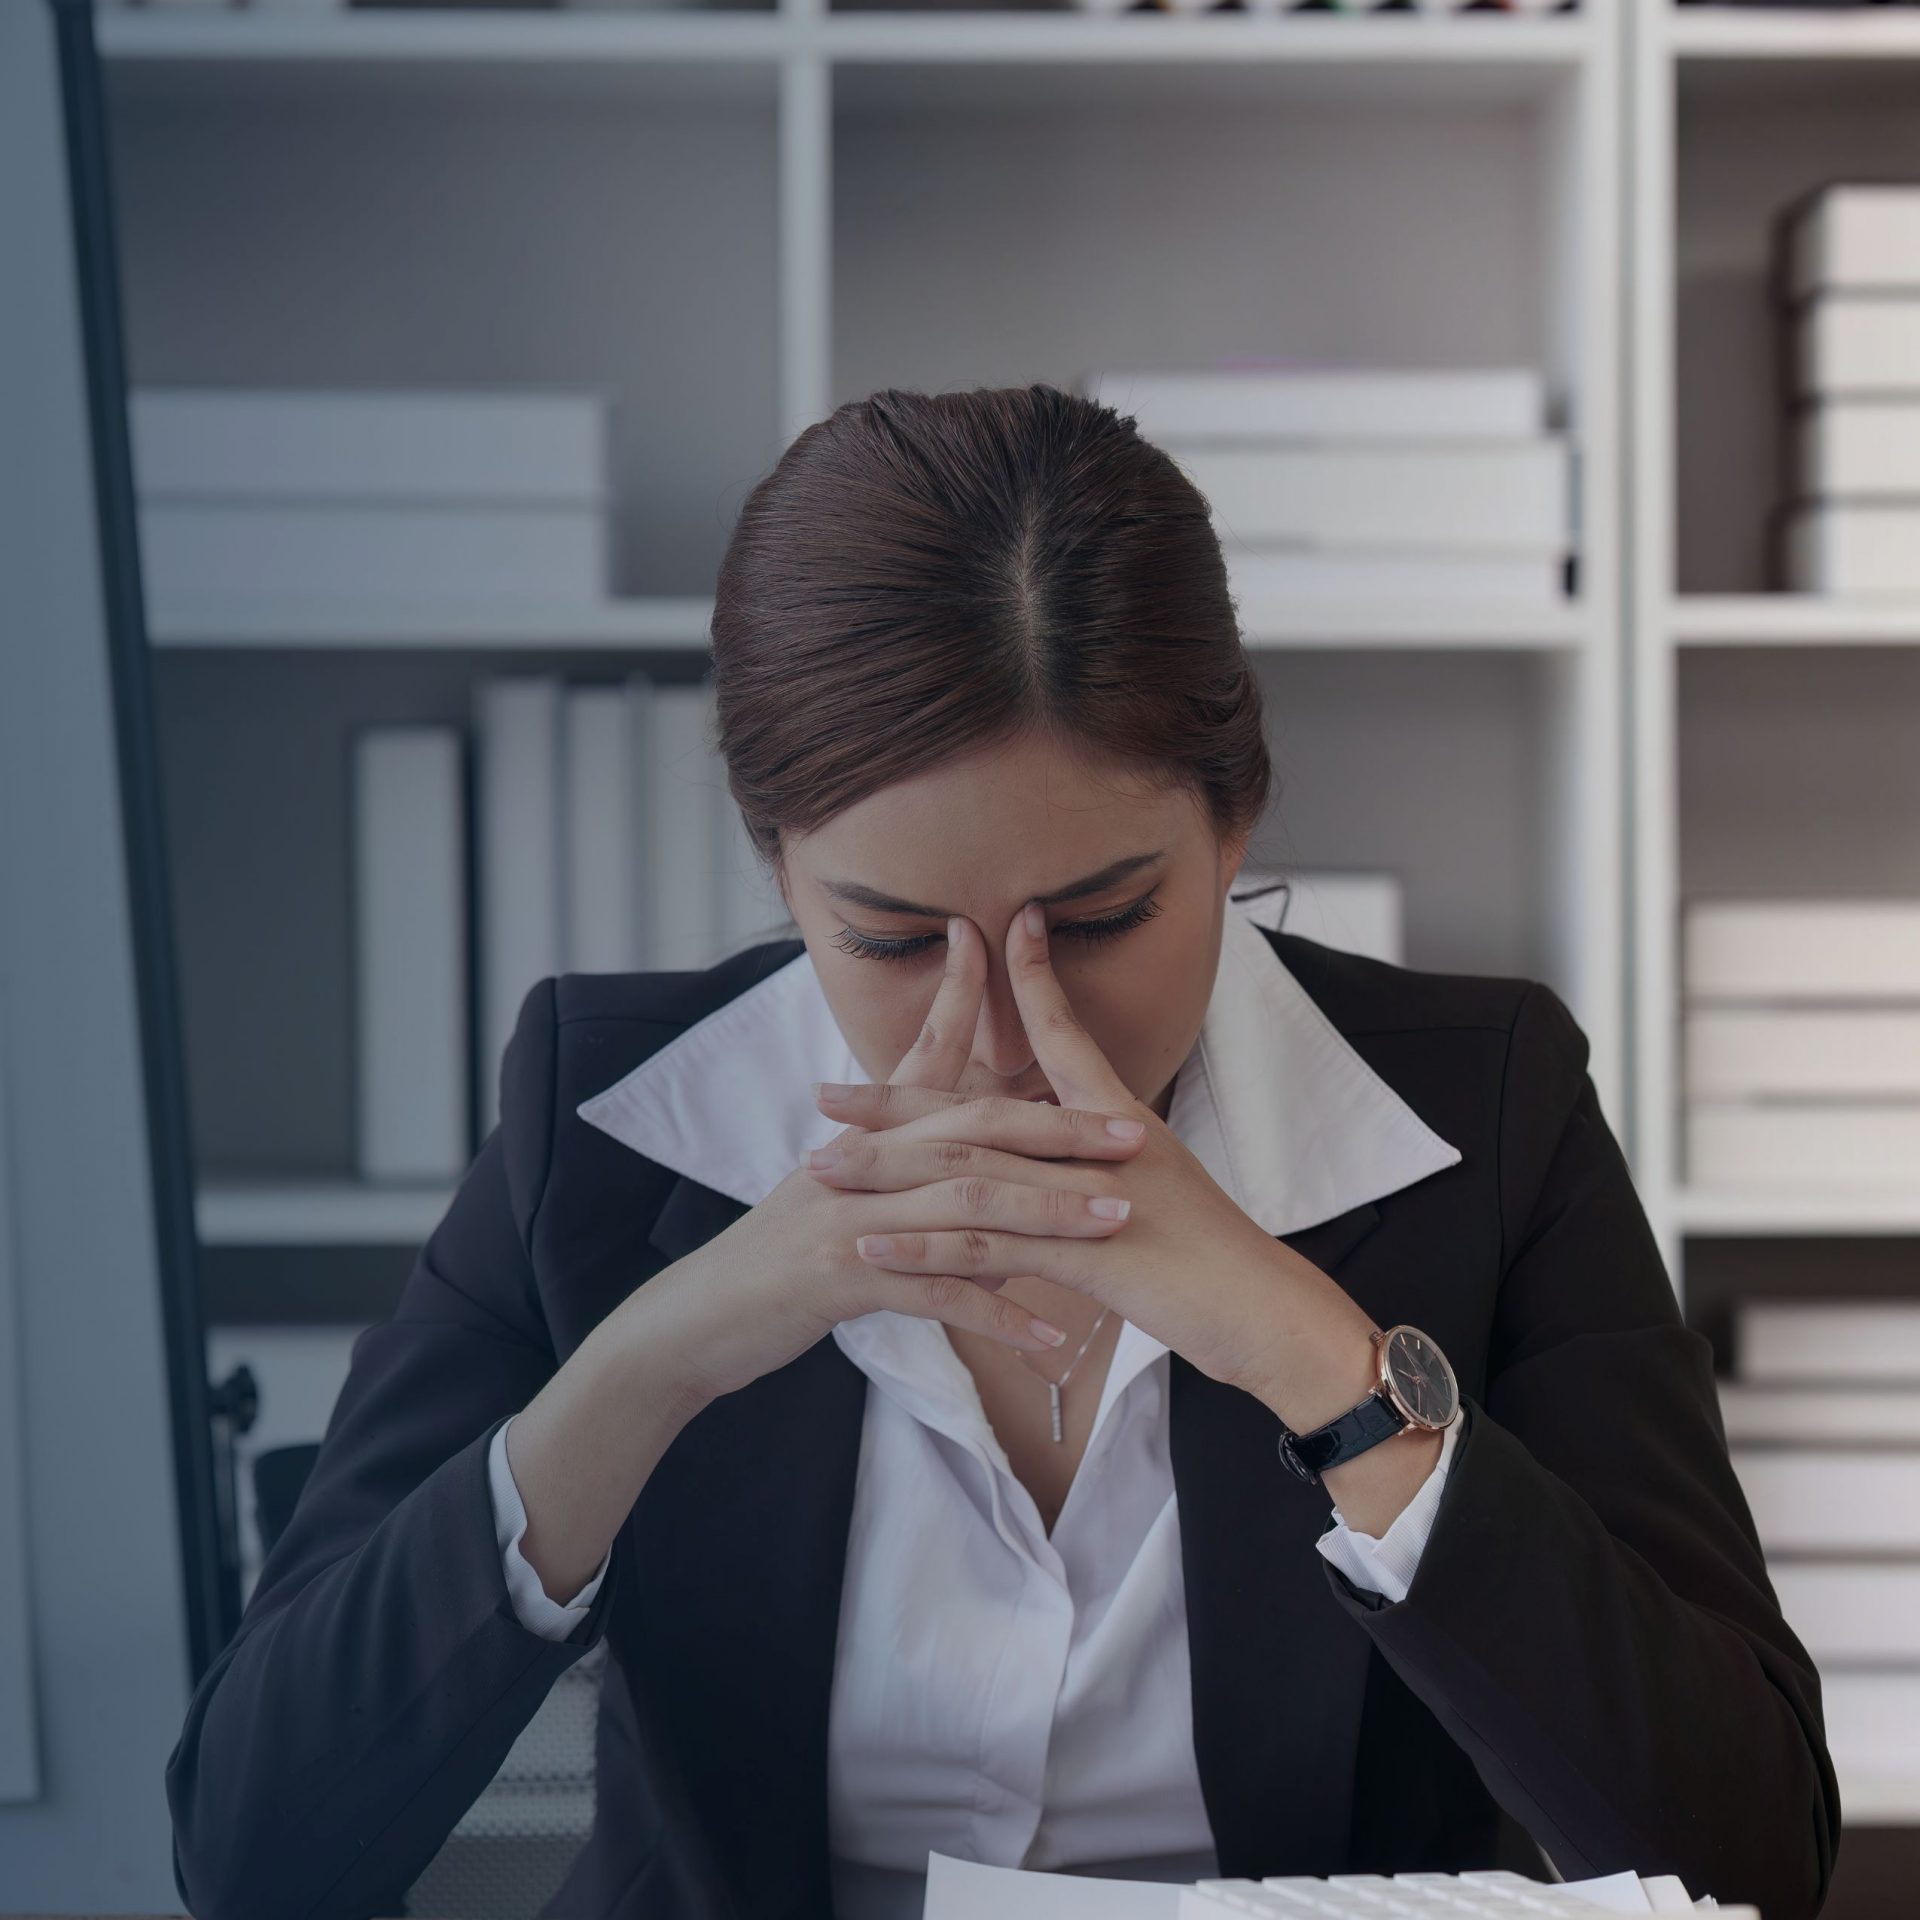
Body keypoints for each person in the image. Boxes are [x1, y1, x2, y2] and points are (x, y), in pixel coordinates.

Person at [164, 384, 1839, 1920]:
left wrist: (1304, 1349)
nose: (1012, 1026)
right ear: (776, 866)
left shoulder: (1483, 1111)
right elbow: (255, 1850)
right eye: (890, 940)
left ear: (1238, 816)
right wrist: (655, 1359)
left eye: (1101, 919)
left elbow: (1748, 1849)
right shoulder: (603, 1126)